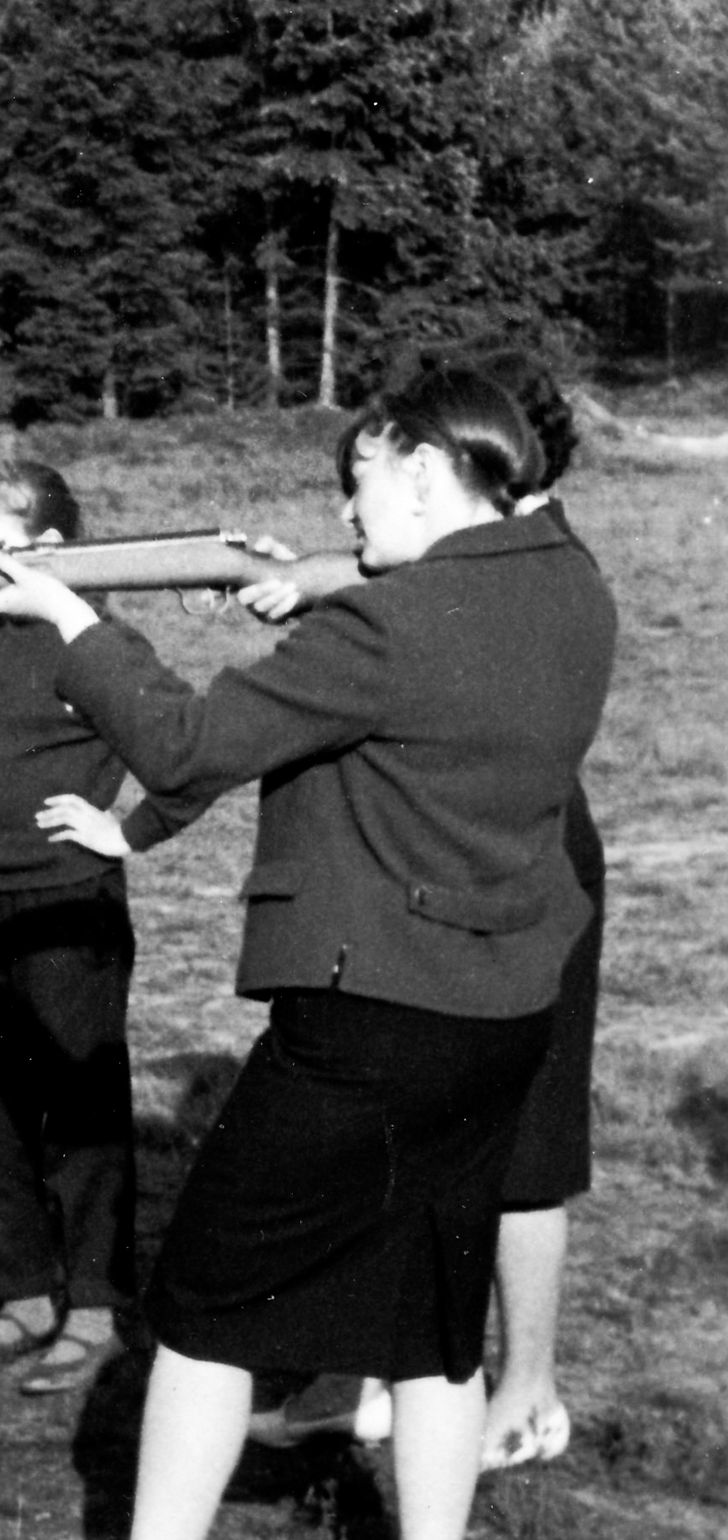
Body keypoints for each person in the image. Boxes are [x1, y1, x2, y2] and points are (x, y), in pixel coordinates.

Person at [0, 368, 614, 1540]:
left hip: (369, 1015)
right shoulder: (567, 583)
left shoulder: (393, 623)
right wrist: (318, 582)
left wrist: (73, 617)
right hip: (500, 1012)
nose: (346, 511)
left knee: (202, 1318)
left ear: (426, 473)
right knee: (434, 1329)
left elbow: (183, 743)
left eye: (360, 483)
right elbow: (408, 621)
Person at [235, 361, 602, 1473]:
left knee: (522, 1134)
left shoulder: (540, 559)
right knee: (410, 1134)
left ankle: (526, 1390)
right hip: (462, 847)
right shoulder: (492, 544)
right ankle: (360, 1371)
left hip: (518, 855)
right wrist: (310, 579)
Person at [0, 462, 157, 1397]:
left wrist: (123, 824)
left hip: (68, 898)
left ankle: (96, 1308)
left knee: (79, 1107)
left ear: (52, 548)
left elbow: (172, 735)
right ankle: (24, 1293)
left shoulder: (98, 639)